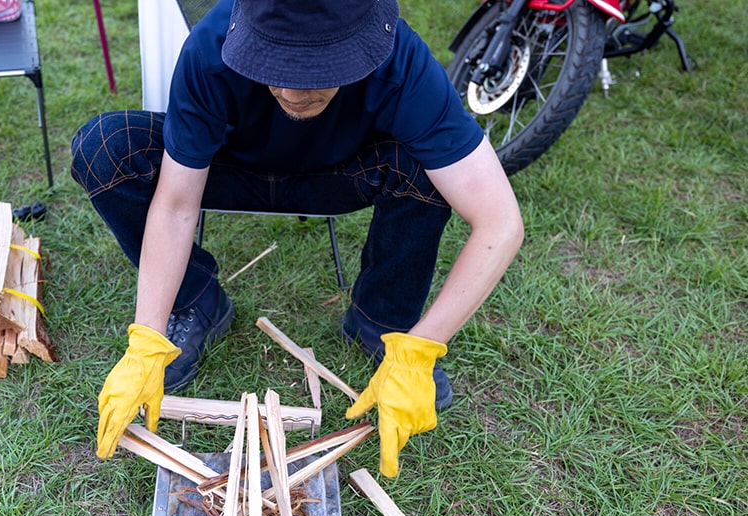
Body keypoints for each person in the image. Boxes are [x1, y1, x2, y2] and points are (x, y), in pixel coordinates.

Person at [71, 0, 523, 477]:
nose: (291, 92)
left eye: (316, 72)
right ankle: (196, 302)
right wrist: (147, 338)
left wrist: (421, 349)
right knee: (105, 148)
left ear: (364, 49)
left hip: (338, 175)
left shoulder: (400, 58)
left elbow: (500, 222)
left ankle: (384, 326)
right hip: (232, 169)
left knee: (431, 168)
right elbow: (178, 204)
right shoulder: (211, 47)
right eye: (273, 64)